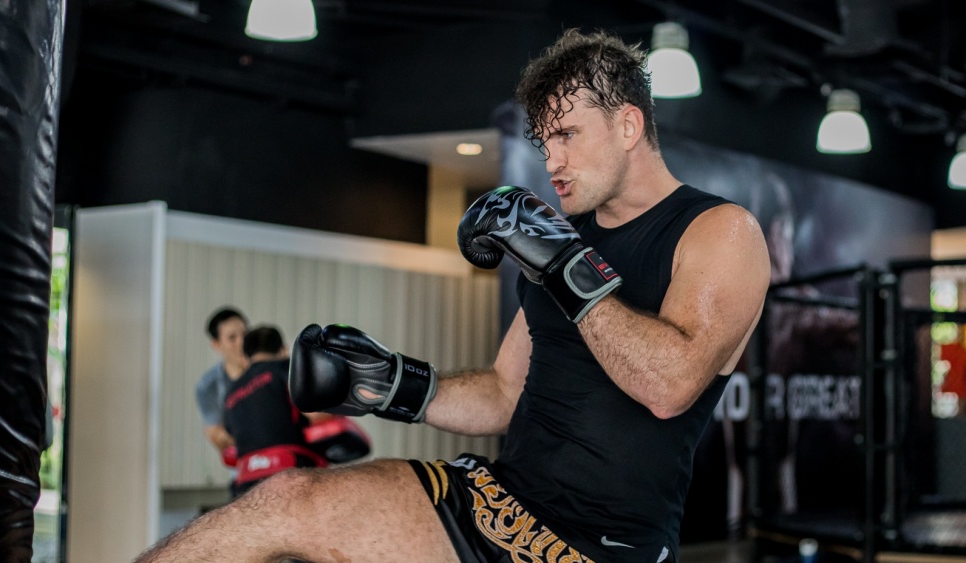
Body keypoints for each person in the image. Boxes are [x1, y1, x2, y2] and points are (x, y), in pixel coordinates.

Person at [134, 28, 770, 563]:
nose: (552, 161)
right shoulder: (558, 241)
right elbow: (502, 393)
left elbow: (669, 386)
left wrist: (565, 267)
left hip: (598, 546)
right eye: (544, 143)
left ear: (629, 125)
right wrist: (393, 384)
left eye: (568, 135)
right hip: (503, 500)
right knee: (284, 501)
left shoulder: (720, 232)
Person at [225, 325, 330, 498]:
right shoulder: (286, 368)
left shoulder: (231, 393)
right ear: (283, 350)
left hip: (245, 487)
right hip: (292, 474)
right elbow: (317, 415)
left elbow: (230, 438)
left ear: (245, 358)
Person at [195, 307, 249, 464]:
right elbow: (215, 434)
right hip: (244, 465)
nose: (242, 342)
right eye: (232, 338)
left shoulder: (268, 370)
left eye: (245, 334)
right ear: (216, 344)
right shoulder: (208, 386)